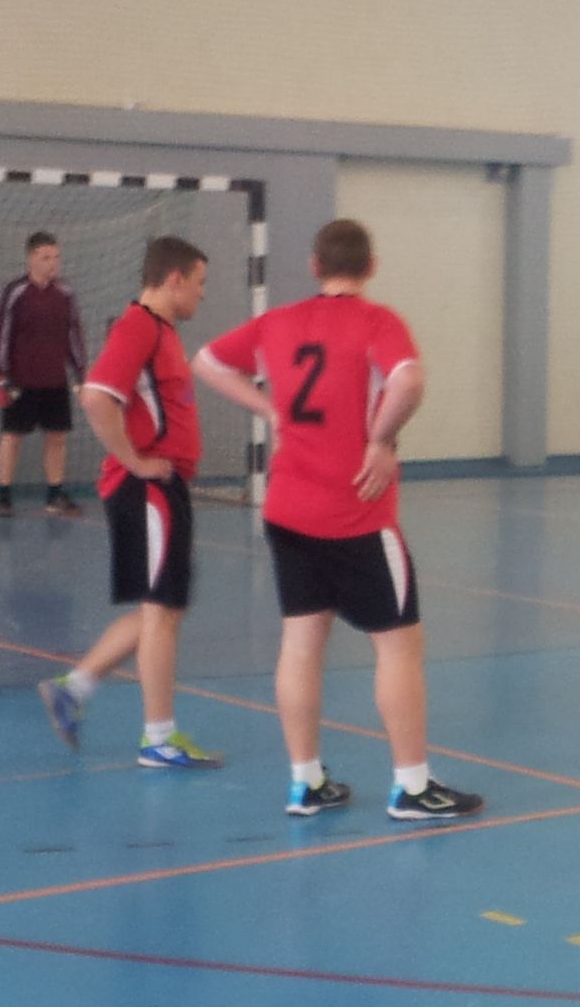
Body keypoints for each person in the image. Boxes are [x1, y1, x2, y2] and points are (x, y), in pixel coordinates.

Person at [191, 218, 481, 821]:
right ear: (371, 267)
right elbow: (409, 379)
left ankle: (305, 782)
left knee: (301, 644)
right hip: (356, 513)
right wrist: (381, 438)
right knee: (398, 646)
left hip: (288, 509)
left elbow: (207, 361)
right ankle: (412, 786)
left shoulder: (277, 323)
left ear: (315, 266)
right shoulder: (378, 322)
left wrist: (270, 409)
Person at [40, 235, 219, 765]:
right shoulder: (139, 326)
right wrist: (136, 461)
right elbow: (96, 396)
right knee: (162, 612)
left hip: (163, 488)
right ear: (174, 279)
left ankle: (74, 689)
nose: (203, 294)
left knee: (164, 609)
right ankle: (158, 738)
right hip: (147, 490)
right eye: (200, 283)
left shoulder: (162, 331)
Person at [0, 231, 86, 517]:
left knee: (57, 437)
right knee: (12, 436)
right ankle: (4, 497)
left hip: (55, 380)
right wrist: (1, 374)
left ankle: (54, 495)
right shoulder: (16, 292)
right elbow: (2, 334)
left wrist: (81, 372)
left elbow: (73, 334)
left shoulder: (65, 293)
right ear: (31, 259)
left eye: (56, 257)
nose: (52, 263)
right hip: (21, 381)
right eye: (45, 258)